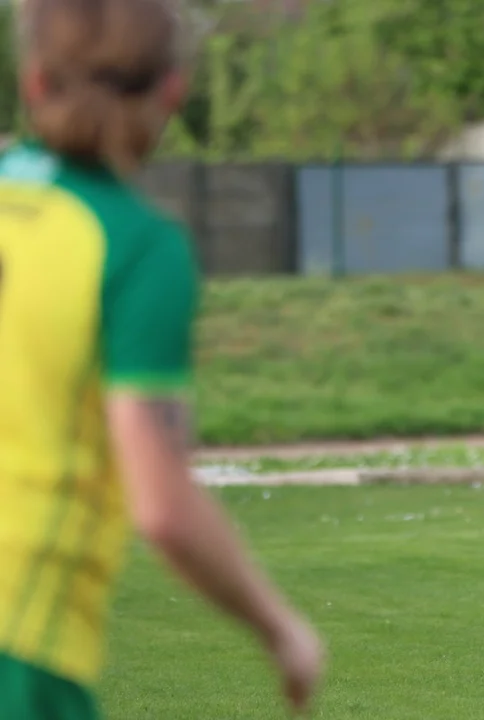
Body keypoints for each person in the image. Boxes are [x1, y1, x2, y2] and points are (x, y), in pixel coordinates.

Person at [0, 1, 325, 718]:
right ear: (172, 91)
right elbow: (164, 508)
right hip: (22, 648)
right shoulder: (137, 246)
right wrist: (281, 628)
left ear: (33, 82)